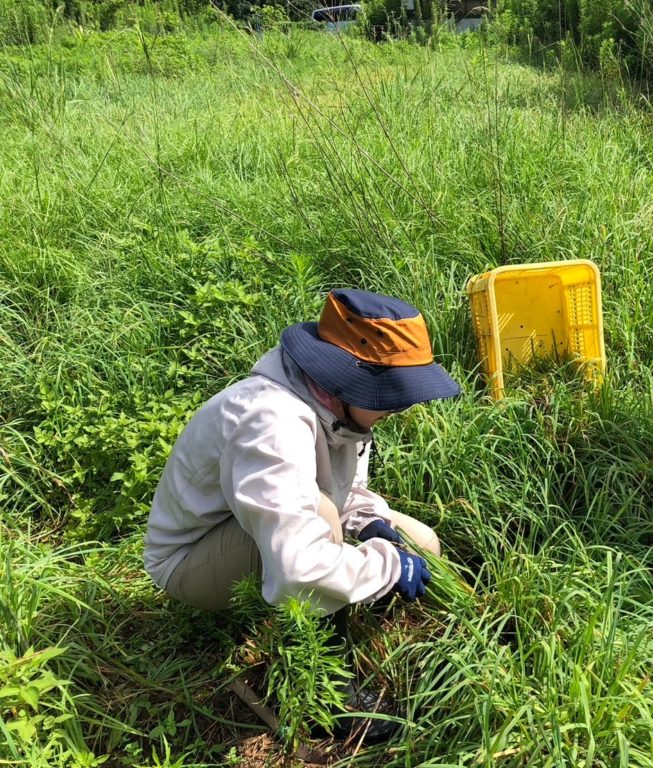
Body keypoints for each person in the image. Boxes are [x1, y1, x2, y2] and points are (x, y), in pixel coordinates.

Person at [144, 288, 461, 737]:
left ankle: (351, 601)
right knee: (324, 521)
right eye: (392, 394)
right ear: (349, 380)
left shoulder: (339, 409)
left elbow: (347, 489)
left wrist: (373, 523)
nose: (400, 407)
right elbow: (298, 563)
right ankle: (331, 693)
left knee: (421, 541)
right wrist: (386, 567)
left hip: (259, 531)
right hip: (189, 561)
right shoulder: (269, 420)